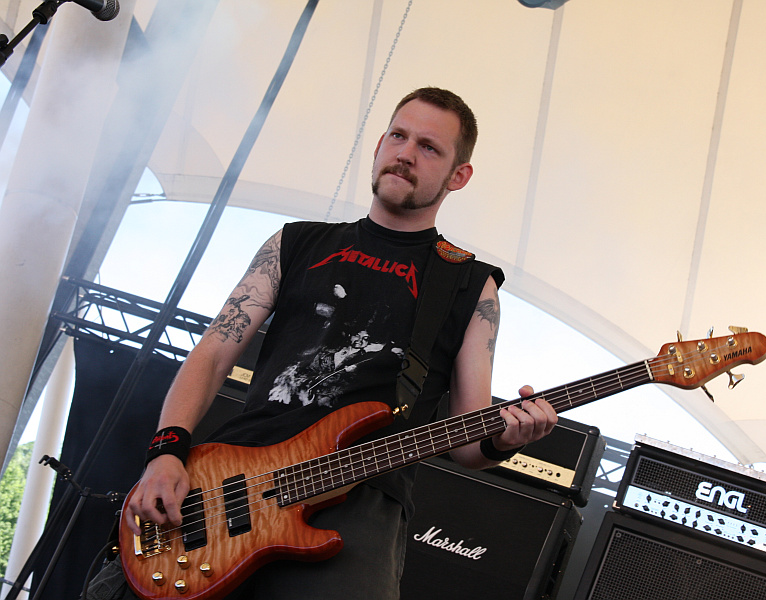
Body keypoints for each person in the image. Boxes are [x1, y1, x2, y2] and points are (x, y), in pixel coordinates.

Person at [92, 87, 557, 600]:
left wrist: (506, 439)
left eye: (429, 147)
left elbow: (469, 442)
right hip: (227, 480)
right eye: (398, 136)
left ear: (458, 175)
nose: (405, 153)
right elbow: (214, 352)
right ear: (378, 145)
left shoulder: (470, 284)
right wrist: (166, 452)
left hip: (361, 497)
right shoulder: (295, 242)